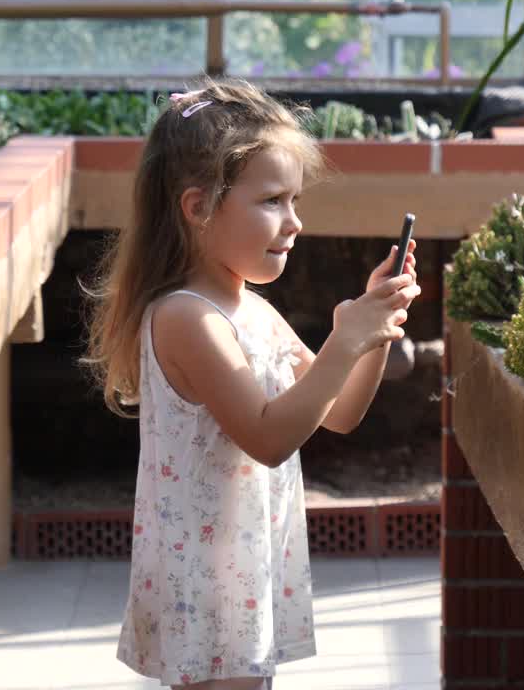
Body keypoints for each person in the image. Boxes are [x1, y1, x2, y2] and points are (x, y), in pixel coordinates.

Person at [86, 79, 419, 689]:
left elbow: (338, 413)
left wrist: (372, 333)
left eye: (294, 200)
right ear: (198, 207)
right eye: (272, 200)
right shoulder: (187, 317)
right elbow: (268, 439)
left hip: (245, 573)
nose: (294, 221)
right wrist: (344, 341)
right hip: (207, 588)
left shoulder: (251, 308)